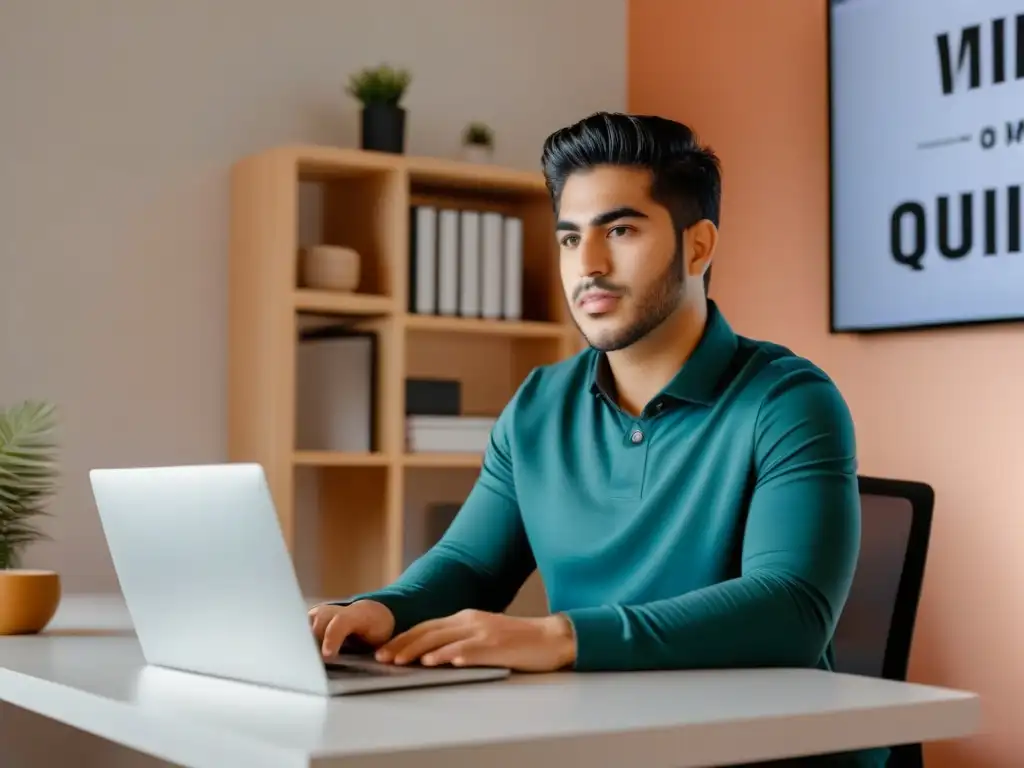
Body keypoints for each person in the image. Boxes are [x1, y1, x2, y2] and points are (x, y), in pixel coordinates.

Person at [310, 113, 883, 766]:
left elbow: (791, 612)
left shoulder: (789, 400)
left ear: (698, 247)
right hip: (600, 740)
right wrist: (382, 610)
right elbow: (470, 567)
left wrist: (561, 637)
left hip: (764, 752)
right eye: (569, 238)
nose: (589, 265)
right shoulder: (536, 406)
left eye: (621, 230)